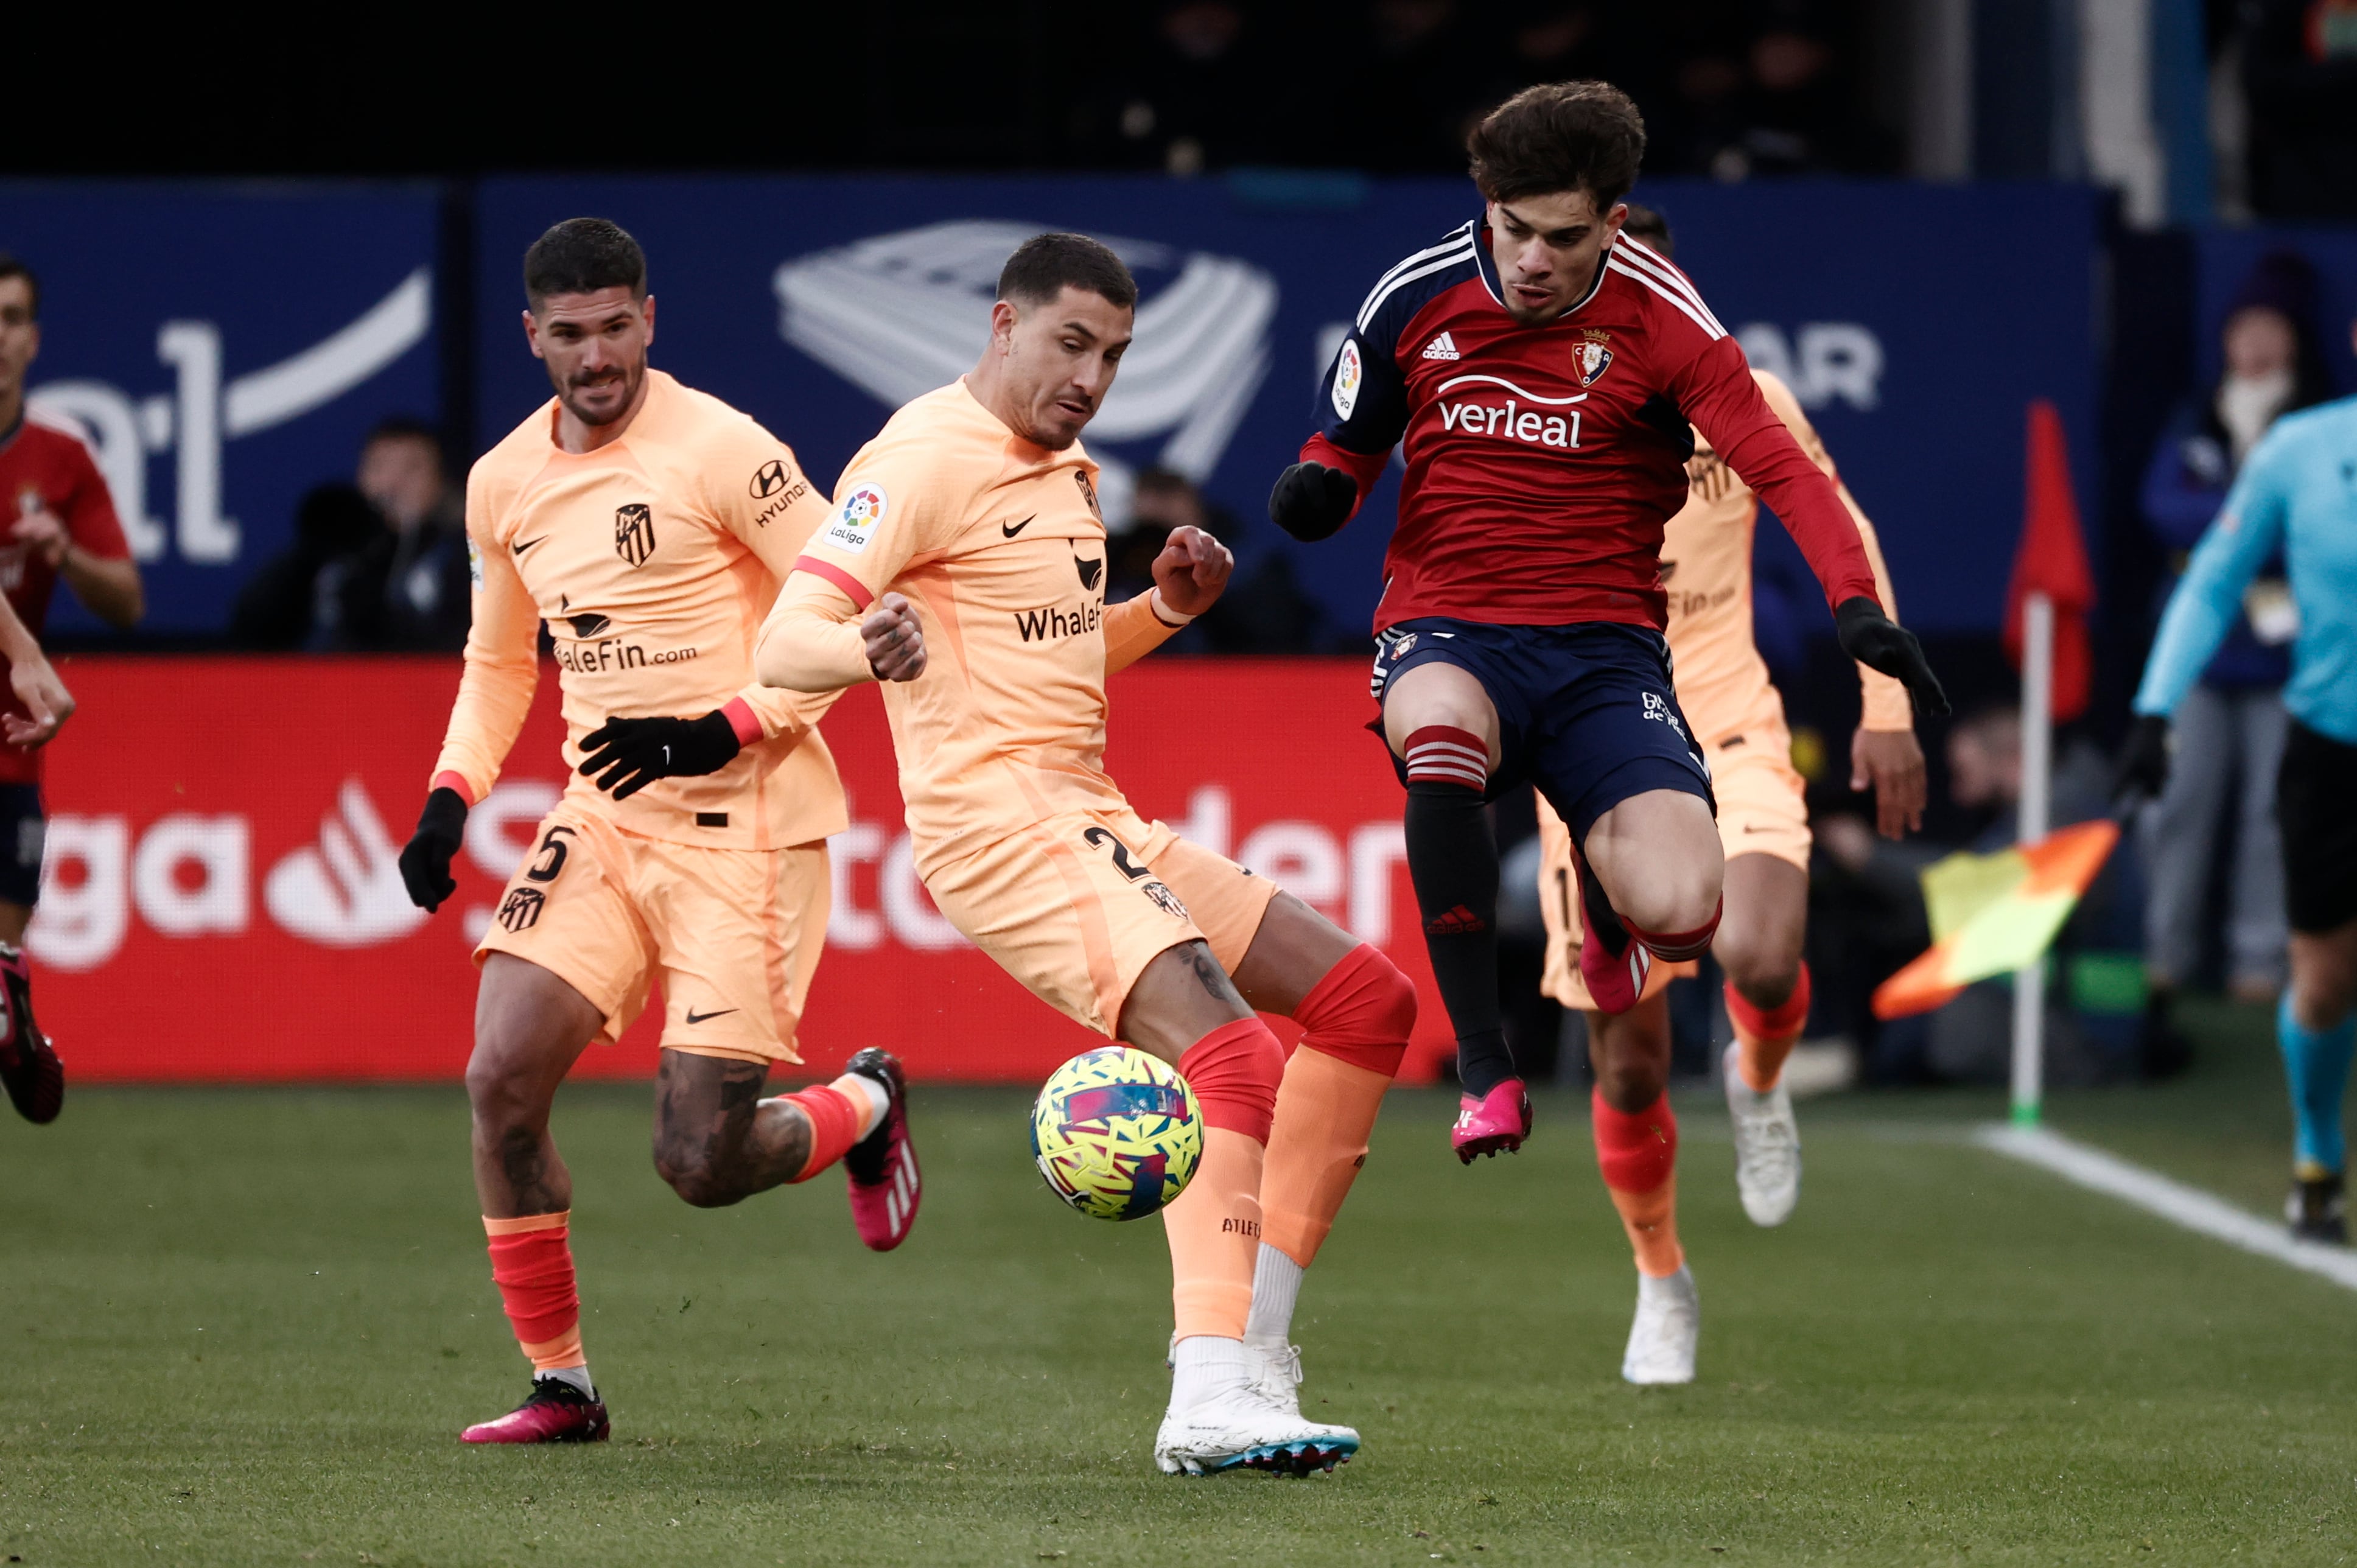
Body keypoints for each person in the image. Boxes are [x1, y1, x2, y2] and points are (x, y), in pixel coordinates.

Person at [757, 233, 1418, 1477]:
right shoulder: (919, 459)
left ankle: (1257, 1355)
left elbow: (1053, 663)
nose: (1092, 376)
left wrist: (1161, 610)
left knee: (1364, 1001)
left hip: (1089, 807)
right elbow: (784, 645)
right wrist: (865, 652)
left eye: (1114, 353)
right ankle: (1208, 1389)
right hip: (1000, 825)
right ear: (1003, 325)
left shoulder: (1070, 473)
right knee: (1228, 1053)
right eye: (1071, 344)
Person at [1267, 81, 1945, 1167]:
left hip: (1606, 658)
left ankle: (1634, 936)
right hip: (1450, 627)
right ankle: (1485, 1067)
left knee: (1694, 918)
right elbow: (1341, 442)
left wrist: (1856, 614)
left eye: (1563, 238)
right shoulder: (1415, 289)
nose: (1531, 259)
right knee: (1439, 740)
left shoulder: (1667, 320)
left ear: (1612, 224)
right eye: (1513, 229)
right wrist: (1317, 488)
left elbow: (1789, 478)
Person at [393, 219, 919, 1445]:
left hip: (748, 823)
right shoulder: (501, 482)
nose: (596, 357)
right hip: (604, 817)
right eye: (569, 335)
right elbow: (495, 660)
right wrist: (449, 794)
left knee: (697, 1159)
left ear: (649, 319)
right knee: (498, 1084)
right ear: (532, 338)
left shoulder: (728, 450)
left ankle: (864, 1106)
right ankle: (562, 1385)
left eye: (615, 326)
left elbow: (849, 627)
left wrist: (718, 727)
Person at [1524, 203, 1924, 1382]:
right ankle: (1661, 1280)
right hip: (1587, 744)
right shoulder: (1520, 406)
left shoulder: (1731, 390)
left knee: (1757, 954)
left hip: (1726, 722)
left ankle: (1756, 1081)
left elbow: (1834, 520)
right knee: (1632, 1063)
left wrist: (1886, 701)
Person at [2120, 301, 2357, 1245]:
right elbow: (2214, 580)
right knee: (2327, 982)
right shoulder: (2301, 450)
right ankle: (2316, 1150)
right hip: (2331, 747)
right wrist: (2154, 706)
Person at [2135, 254, 2330, 1034]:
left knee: (2269, 812)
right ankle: (2163, 953)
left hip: (2289, 654)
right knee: (2180, 801)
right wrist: (2253, 522)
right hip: (2199, 653)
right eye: (2239, 330)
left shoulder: (2316, 424)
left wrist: (2234, 528)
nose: (2251, 345)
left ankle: (2258, 961)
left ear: (2292, 340)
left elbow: (2313, 526)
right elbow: (2162, 509)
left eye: (2267, 330)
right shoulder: (2196, 421)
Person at [0, 252, 138, 1125]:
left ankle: (8, 1001)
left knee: (5, 945)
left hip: (12, 729)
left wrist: (63, 554)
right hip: (26, 687)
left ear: (34, 339)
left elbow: (124, 600)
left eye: (11, 317)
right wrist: (24, 650)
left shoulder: (59, 459)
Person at [335, 415, 473, 651]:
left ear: (441, 480)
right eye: (379, 467)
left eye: (412, 469)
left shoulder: (468, 557)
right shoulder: (337, 558)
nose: (392, 484)